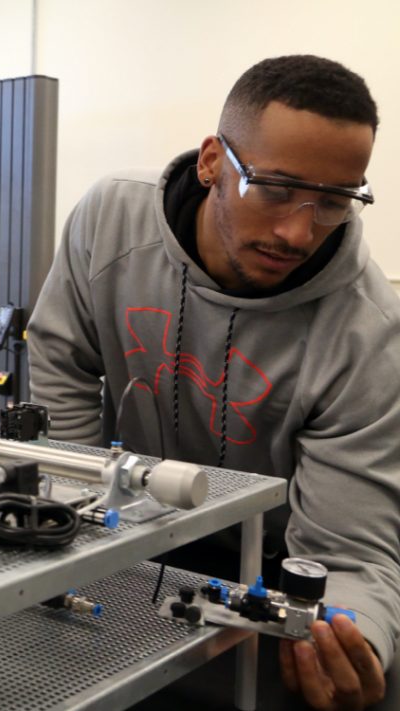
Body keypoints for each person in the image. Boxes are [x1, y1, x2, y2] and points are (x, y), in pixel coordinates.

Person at [28, 55, 397, 709]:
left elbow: (348, 551)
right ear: (211, 163)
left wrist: (353, 635)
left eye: (334, 202)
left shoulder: (369, 332)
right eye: (275, 188)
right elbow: (62, 361)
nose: (297, 231)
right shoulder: (110, 221)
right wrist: (66, 521)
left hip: (276, 565)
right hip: (130, 537)